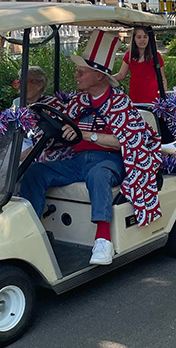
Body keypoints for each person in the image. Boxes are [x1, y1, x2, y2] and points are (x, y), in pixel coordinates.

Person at [19, 30, 162, 265]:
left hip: (111, 161)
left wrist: (88, 135)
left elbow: (126, 140)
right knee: (35, 172)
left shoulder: (120, 103)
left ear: (98, 75)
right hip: (78, 161)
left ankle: (103, 240)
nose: (76, 75)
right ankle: (30, 234)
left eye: (81, 71)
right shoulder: (79, 101)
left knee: (98, 175)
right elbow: (64, 125)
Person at [113, 27, 168, 102]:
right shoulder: (129, 55)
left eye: (145, 37)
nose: (142, 40)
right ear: (134, 39)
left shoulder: (155, 56)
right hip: (135, 93)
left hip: (151, 94)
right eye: (139, 37)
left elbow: (162, 78)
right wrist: (106, 78)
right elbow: (121, 75)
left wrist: (164, 90)